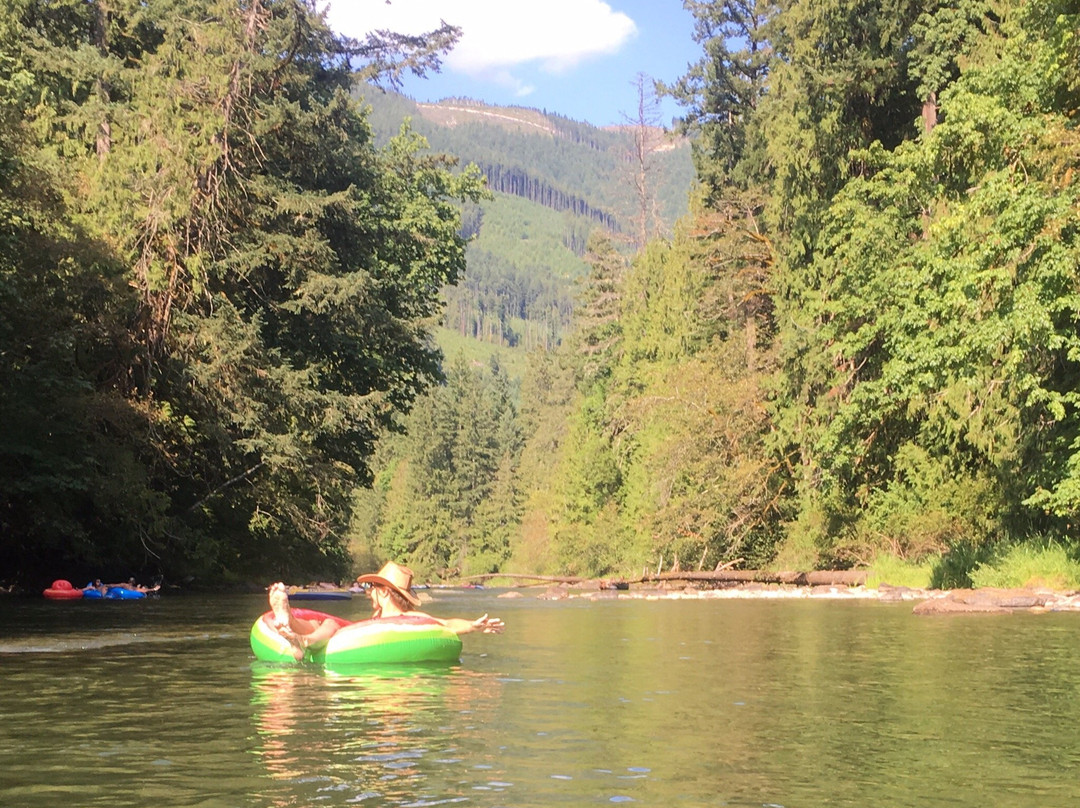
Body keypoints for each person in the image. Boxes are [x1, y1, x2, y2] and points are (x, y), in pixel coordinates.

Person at [267, 561, 504, 661]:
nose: (369, 592)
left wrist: (473, 625)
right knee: (327, 624)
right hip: (348, 639)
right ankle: (290, 627)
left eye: (372, 587)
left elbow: (446, 624)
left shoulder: (411, 620)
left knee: (331, 627)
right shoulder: (375, 618)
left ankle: (301, 640)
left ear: (385, 591)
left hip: (365, 652)